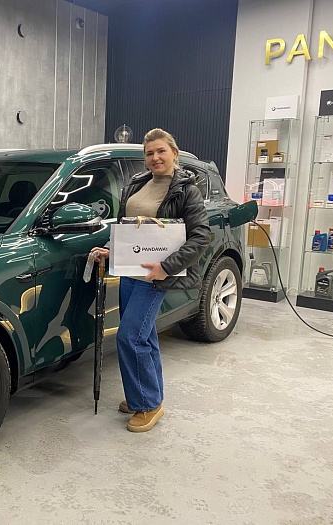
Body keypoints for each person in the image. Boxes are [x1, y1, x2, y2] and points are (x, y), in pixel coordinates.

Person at [92, 128, 210, 432]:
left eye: (161, 151)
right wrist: (112, 250)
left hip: (155, 278)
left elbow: (201, 236)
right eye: (149, 153)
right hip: (130, 273)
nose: (155, 157)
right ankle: (141, 395)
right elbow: (128, 228)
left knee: (129, 337)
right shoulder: (137, 183)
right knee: (144, 337)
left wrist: (166, 267)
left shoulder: (186, 190)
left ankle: (149, 404)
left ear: (174, 153)